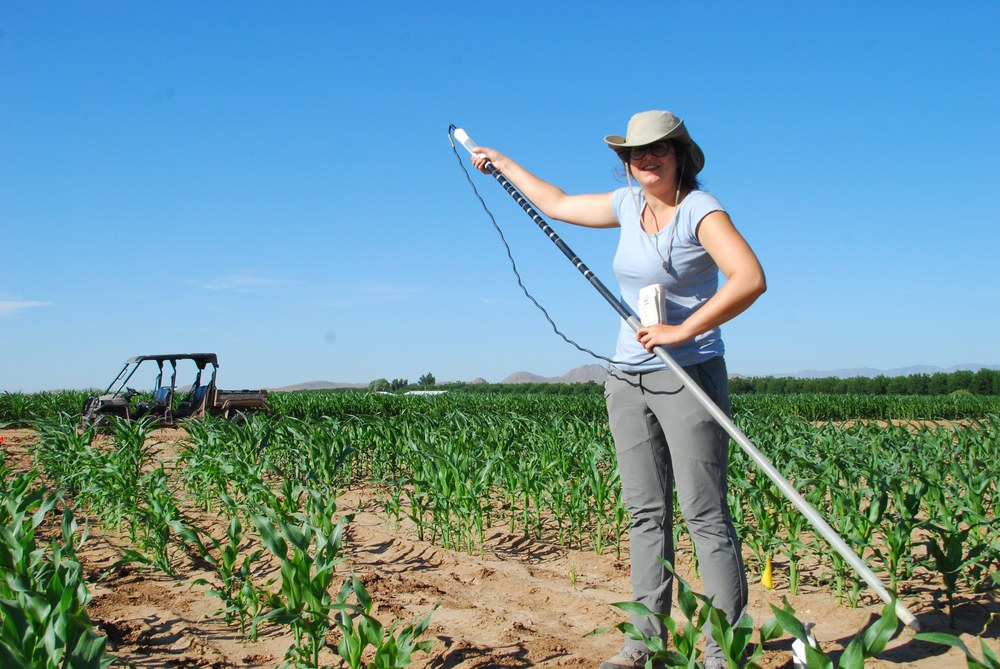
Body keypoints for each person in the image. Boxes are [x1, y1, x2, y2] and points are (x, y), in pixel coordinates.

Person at [471, 110, 766, 669]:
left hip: (688, 374)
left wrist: (683, 329)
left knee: (705, 514)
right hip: (627, 374)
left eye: (657, 149)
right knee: (645, 512)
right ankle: (642, 645)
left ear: (680, 154)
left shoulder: (699, 210)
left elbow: (750, 277)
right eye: (633, 153)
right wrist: (503, 164)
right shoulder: (627, 205)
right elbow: (556, 203)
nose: (644, 159)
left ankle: (723, 650)